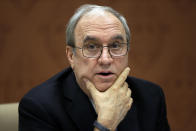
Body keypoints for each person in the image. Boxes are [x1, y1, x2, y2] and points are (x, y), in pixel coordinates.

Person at [19, 4, 170, 131]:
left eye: (116, 45)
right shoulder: (39, 107)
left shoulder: (150, 97)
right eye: (91, 46)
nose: (105, 59)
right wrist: (105, 124)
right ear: (71, 55)